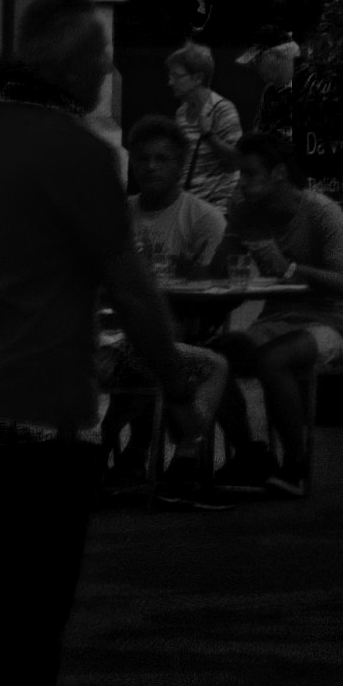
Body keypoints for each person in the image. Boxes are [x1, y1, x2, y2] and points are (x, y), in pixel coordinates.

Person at [0, 0, 201, 686]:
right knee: (33, 617)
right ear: (70, 65)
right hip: (45, 418)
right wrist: (176, 388)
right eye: (102, 58)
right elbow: (130, 286)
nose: (110, 70)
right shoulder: (78, 154)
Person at [212, 139, 343, 491]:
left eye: (249, 173)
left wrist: (291, 268)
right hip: (274, 319)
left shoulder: (321, 211)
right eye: (238, 174)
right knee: (213, 356)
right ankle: (250, 453)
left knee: (272, 360)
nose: (241, 182)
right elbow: (218, 270)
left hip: (328, 322)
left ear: (278, 173)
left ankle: (296, 464)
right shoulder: (248, 210)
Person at [108, 121, 237, 495]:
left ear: (180, 166)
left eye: (162, 159)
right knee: (153, 344)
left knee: (160, 343)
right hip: (117, 332)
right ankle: (160, 455)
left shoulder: (203, 218)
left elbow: (224, 288)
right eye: (143, 159)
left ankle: (136, 452)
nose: (151, 167)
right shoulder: (118, 215)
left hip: (187, 325)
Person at [152, 42, 245, 205]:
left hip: (218, 207)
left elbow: (236, 161)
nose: (170, 82)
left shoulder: (222, 109)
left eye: (176, 76)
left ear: (198, 78)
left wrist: (209, 136)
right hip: (190, 205)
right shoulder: (181, 113)